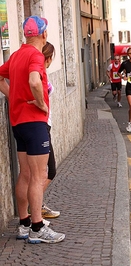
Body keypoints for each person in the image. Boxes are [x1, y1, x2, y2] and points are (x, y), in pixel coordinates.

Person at [0, 16, 65, 243]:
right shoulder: (36, 56)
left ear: (26, 34)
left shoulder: (16, 55)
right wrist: (40, 102)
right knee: (39, 177)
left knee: (25, 175)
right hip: (35, 122)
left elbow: (0, 76)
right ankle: (37, 228)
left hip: (18, 123)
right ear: (44, 34)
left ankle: (24, 223)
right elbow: (35, 81)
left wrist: (14, 96)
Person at [41, 41, 61, 219]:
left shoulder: (41, 73)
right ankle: (36, 205)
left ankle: (36, 205)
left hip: (44, 124)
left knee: (40, 172)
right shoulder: (37, 75)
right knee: (50, 170)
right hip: (42, 125)